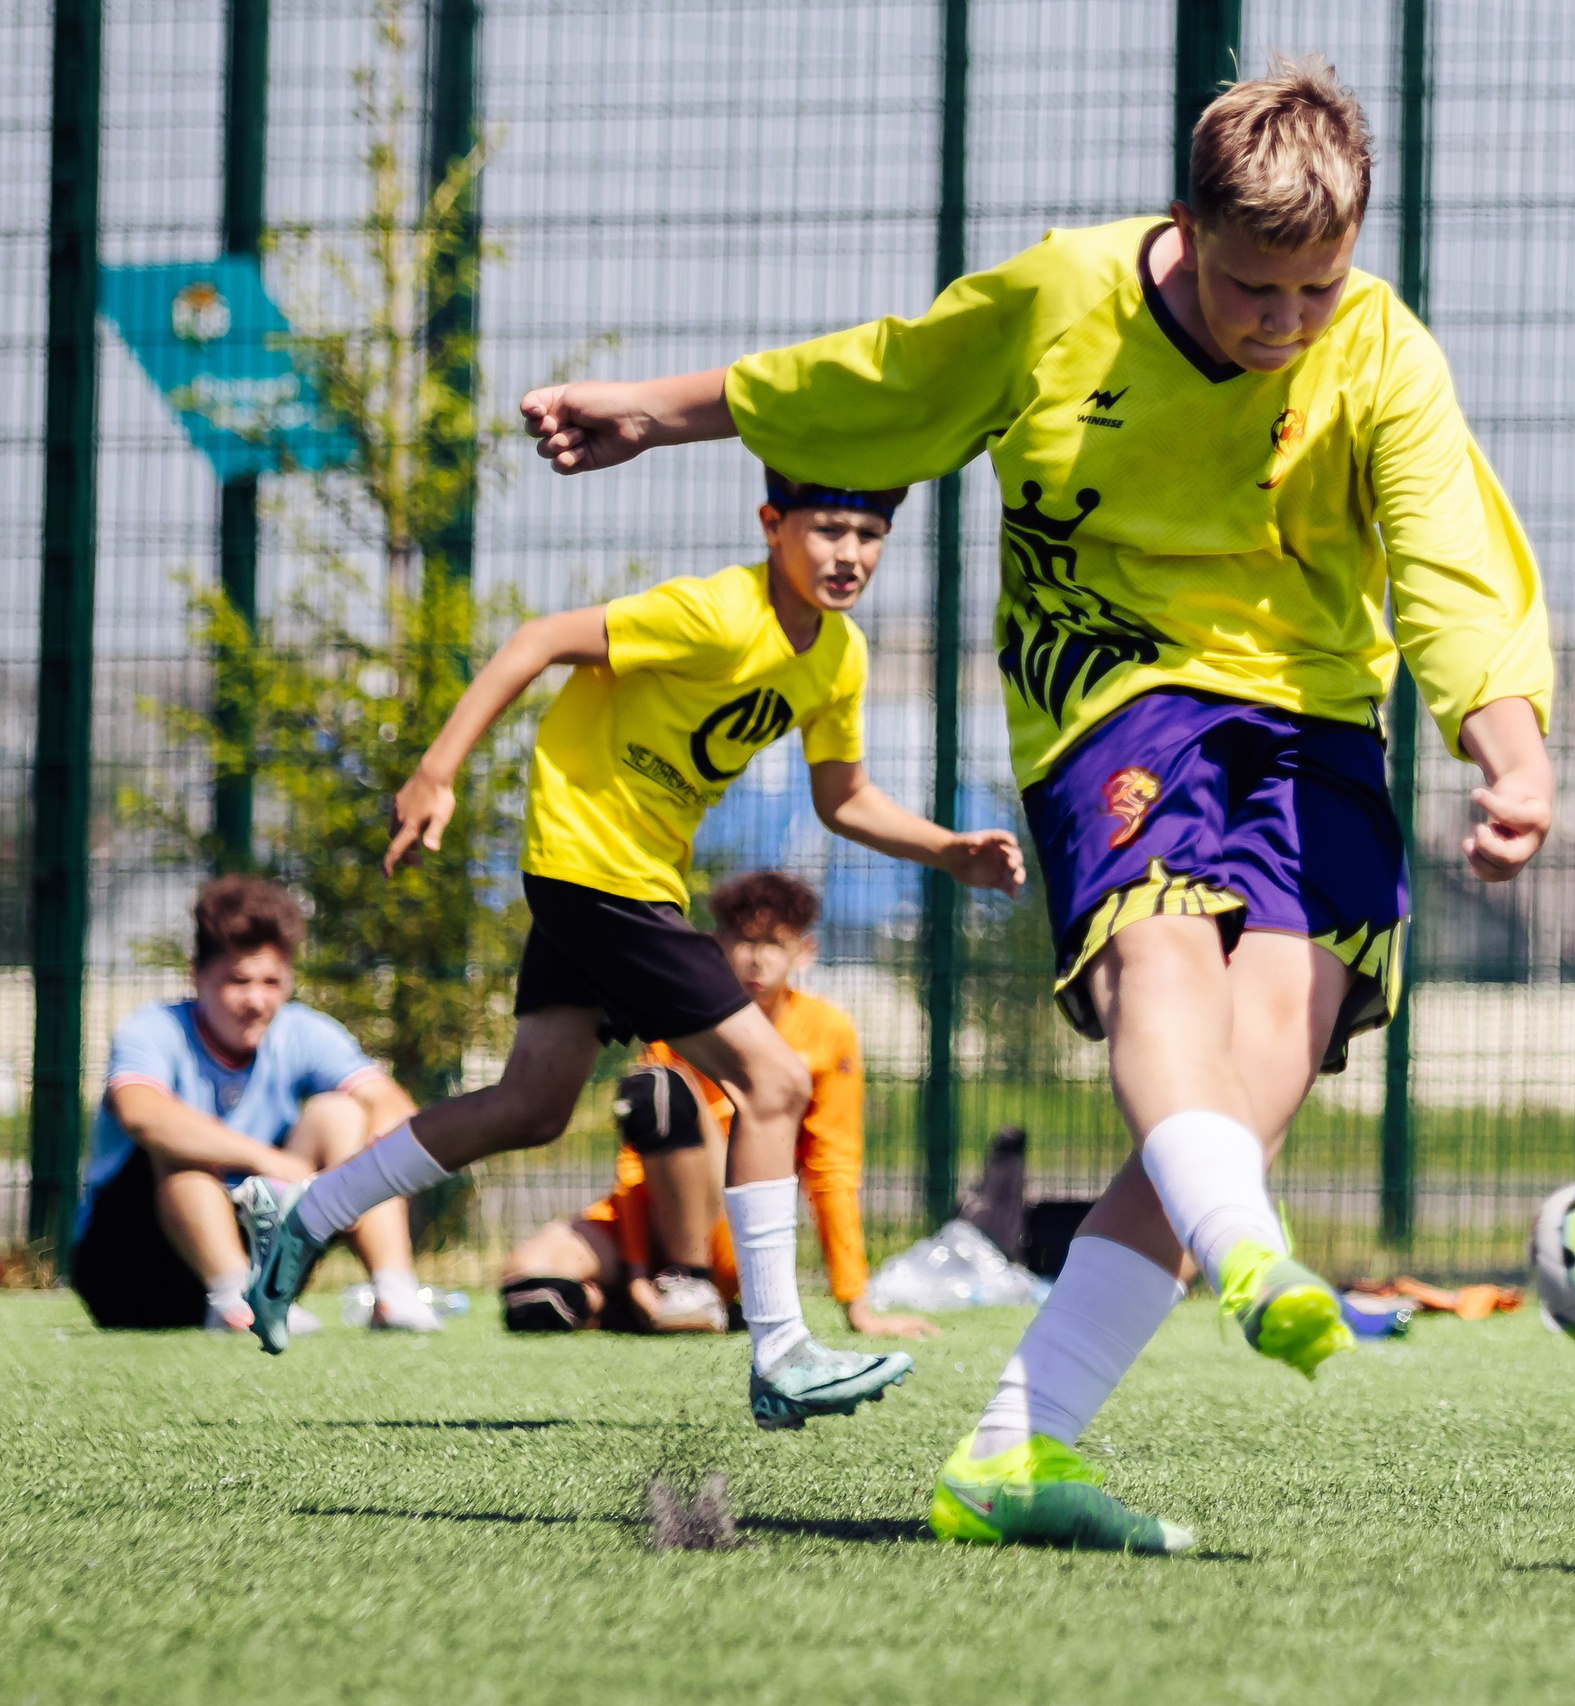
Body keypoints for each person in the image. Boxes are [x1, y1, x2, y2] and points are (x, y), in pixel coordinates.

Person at [517, 56, 1554, 1552]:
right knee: (1164, 961)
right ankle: (1250, 1250)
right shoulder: (1062, 297)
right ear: (1186, 229)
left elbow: (1452, 554)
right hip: (1120, 694)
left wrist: (1507, 750)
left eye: (1313, 291)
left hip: (1321, 715)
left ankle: (1013, 1452)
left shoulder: (1383, 348)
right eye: (1255, 287)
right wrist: (652, 416)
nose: (1283, 324)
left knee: (1262, 1059)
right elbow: (872, 381)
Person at [234, 469, 1023, 1436]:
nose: (848, 554)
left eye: (868, 535)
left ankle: (306, 1214)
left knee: (529, 1105)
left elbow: (842, 798)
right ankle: (780, 1349)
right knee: (774, 1081)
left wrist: (949, 850)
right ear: (772, 525)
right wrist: (436, 770)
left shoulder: (837, 657)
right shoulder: (714, 613)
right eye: (827, 531)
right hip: (592, 871)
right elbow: (537, 642)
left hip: (627, 880)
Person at [499, 869, 935, 1342]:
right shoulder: (681, 1019)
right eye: (745, 941)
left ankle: (694, 1282)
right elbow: (636, 1155)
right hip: (648, 1219)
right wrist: (636, 1272)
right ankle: (630, 1304)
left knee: (663, 1089)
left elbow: (833, 1168)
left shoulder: (828, 1030)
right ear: (716, 946)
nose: (756, 960)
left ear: (803, 952)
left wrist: (857, 1303)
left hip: (724, 1232)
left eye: (774, 943)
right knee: (528, 1288)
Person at [71, 876, 440, 1335]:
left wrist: (350, 1180)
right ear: (196, 974)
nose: (257, 1000)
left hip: (263, 1250)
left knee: (342, 1114)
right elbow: (141, 1113)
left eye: (272, 982)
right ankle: (236, 1301)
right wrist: (273, 1162)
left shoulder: (304, 1031)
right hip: (129, 1270)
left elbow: (394, 1107)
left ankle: (394, 1292)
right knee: (181, 1147)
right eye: (238, 981)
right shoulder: (153, 1029)